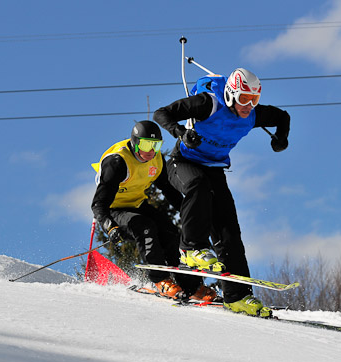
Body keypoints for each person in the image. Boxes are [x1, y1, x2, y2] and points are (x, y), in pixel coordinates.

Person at [153, 68, 291, 317]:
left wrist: (281, 138)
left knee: (230, 233)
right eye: (243, 99)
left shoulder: (251, 115)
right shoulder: (207, 104)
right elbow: (161, 113)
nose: (249, 106)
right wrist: (182, 133)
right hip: (183, 162)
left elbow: (283, 116)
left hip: (214, 170)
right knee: (198, 186)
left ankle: (237, 296)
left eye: (254, 99)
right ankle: (191, 248)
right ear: (230, 95)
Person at [91, 120, 217, 301]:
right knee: (145, 227)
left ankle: (191, 285)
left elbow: (168, 190)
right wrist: (109, 225)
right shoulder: (118, 162)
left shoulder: (156, 159)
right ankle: (159, 281)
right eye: (146, 144)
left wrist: (190, 213)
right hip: (113, 209)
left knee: (171, 233)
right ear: (135, 143)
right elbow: (98, 204)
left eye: (156, 145)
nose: (151, 151)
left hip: (137, 204)